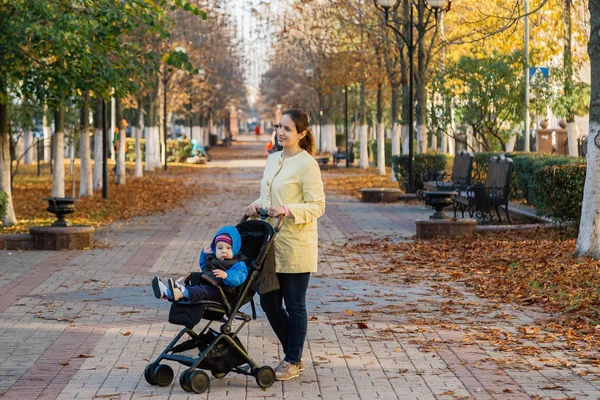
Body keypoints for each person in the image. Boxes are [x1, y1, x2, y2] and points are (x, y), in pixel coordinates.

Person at [244, 109, 326, 381]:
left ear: (301, 134)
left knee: (294, 304)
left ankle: (292, 359)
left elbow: (317, 205)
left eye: (288, 128)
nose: (281, 132)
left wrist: (287, 210)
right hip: (269, 245)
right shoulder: (272, 159)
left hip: (295, 245)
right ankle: (296, 352)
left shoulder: (307, 164)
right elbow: (268, 194)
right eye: (280, 126)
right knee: (268, 302)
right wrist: (259, 205)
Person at [152, 226, 247, 303]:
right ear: (215, 248)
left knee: (201, 291)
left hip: (223, 294)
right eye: (220, 248)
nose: (223, 251)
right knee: (195, 288)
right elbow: (204, 267)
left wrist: (227, 275)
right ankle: (166, 292)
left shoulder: (238, 263)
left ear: (235, 248)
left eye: (228, 248)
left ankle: (179, 291)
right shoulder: (213, 258)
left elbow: (239, 277)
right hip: (209, 286)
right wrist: (205, 254)